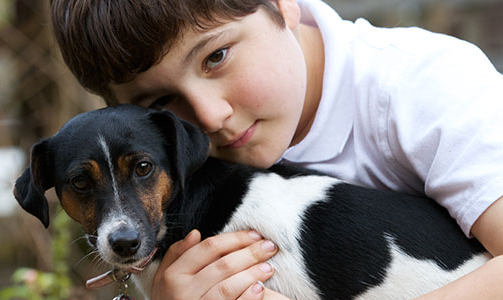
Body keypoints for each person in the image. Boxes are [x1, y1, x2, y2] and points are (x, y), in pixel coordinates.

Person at [51, 0, 503, 298]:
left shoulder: (428, 85)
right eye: (160, 101)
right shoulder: (178, 166)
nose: (210, 116)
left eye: (217, 57)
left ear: (284, 5)